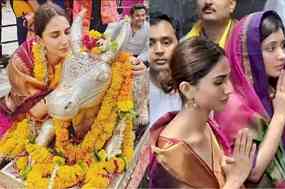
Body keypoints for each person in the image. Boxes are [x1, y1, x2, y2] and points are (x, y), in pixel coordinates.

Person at [0, 2, 145, 137]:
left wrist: (132, 63)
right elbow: (33, 111)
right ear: (40, 39)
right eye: (55, 35)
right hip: (22, 117)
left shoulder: (77, 49)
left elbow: (104, 56)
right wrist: (66, 92)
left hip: (68, 109)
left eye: (67, 32)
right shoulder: (22, 61)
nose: (64, 41)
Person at [149, 37, 256, 188]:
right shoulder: (170, 156)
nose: (229, 89)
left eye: (228, 78)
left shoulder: (207, 126)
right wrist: (234, 180)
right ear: (187, 89)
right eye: (219, 82)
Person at [214, 10, 285, 188]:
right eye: (271, 48)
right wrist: (280, 115)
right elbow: (252, 171)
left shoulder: (279, 89)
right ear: (248, 54)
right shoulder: (231, 105)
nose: (282, 55)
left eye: (283, 45)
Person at [149, 13, 181, 125]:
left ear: (178, 44)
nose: (159, 50)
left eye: (166, 42)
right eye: (150, 44)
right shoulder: (134, 88)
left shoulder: (195, 84)